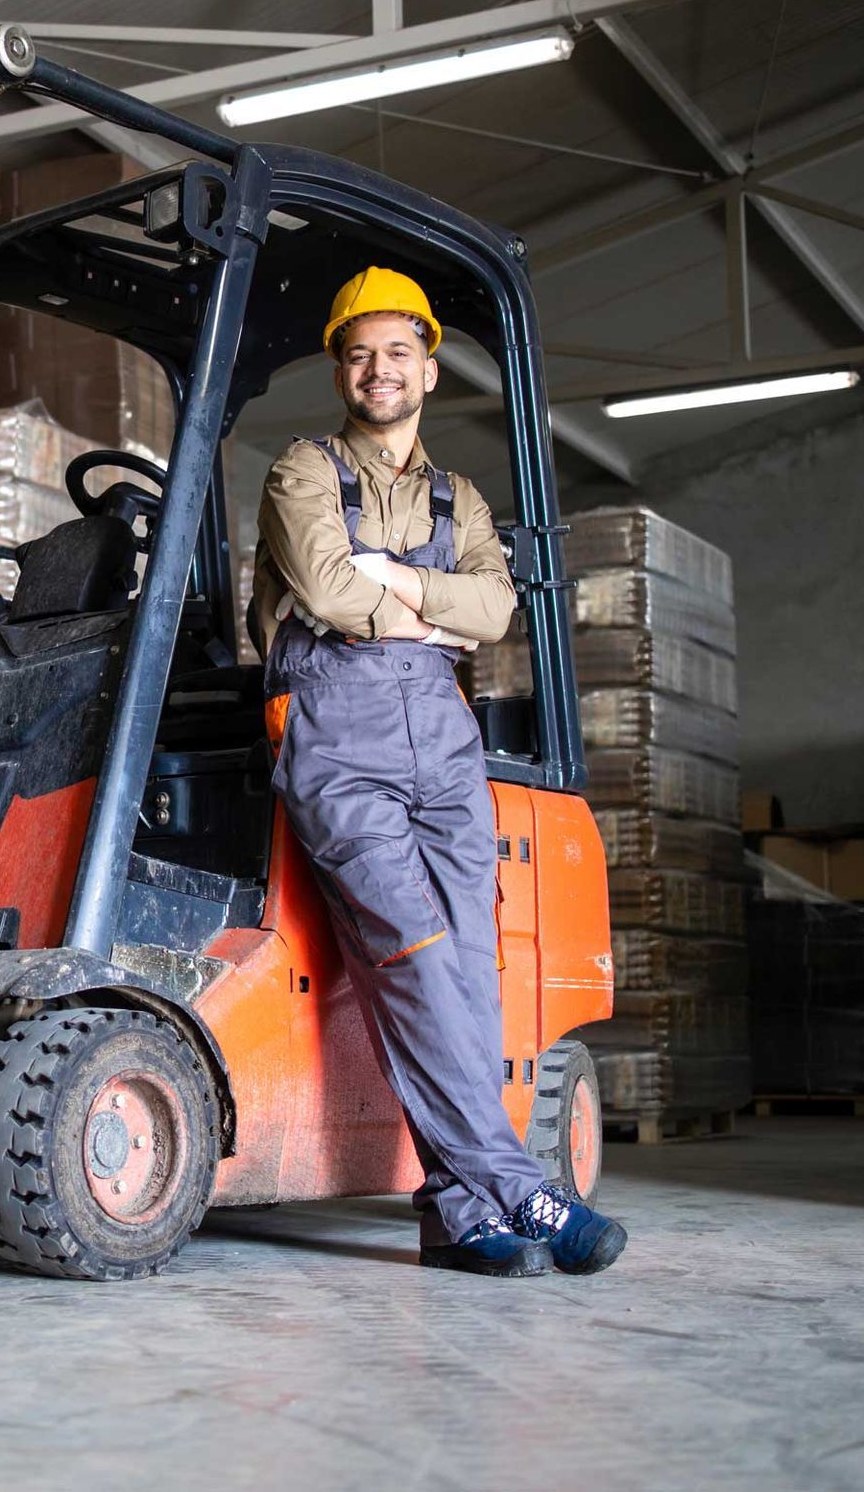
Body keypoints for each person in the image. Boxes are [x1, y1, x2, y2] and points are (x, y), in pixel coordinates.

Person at [249, 267, 627, 1279]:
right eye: (361, 352)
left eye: (399, 351)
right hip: (341, 739)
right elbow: (326, 590)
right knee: (416, 958)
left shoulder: (463, 498)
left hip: (445, 748)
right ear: (340, 367)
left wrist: (400, 586)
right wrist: (428, 609)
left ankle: (458, 1215)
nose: (381, 369)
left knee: (468, 970)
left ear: (429, 365)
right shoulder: (303, 470)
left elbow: (498, 612)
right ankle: (524, 1188)